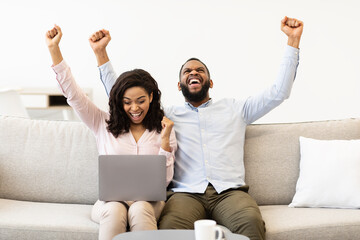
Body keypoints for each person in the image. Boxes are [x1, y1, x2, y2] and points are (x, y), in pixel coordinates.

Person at [90, 16, 303, 240]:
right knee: (169, 228)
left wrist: (293, 42)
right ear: (179, 84)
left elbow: (278, 93)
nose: (193, 72)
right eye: (187, 71)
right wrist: (101, 54)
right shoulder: (166, 116)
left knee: (250, 223)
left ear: (210, 82)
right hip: (185, 194)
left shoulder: (238, 110)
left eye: (200, 70)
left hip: (230, 193)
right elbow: (125, 93)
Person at [45, 25, 177, 240]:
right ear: (119, 102)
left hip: (149, 203)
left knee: (140, 208)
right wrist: (54, 50)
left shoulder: (164, 129)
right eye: (127, 102)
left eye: (140, 101)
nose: (134, 108)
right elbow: (74, 95)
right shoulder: (101, 122)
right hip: (109, 202)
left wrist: (164, 142)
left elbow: (163, 182)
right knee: (116, 209)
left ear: (151, 97)